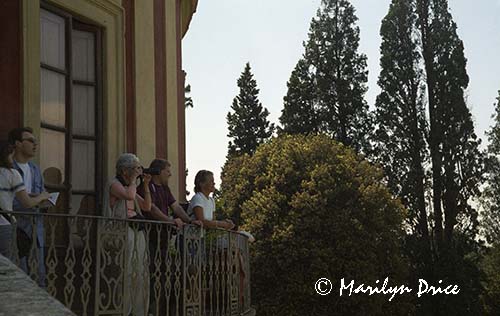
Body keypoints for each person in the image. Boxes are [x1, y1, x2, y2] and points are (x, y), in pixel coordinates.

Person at [103, 153, 152, 316]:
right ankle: (123, 310)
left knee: (140, 271)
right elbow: (129, 196)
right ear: (125, 171)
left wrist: (145, 185)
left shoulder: (130, 186)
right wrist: (133, 181)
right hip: (122, 231)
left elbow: (146, 206)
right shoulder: (115, 184)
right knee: (127, 271)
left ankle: (138, 311)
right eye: (136, 168)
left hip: (135, 229)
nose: (139, 170)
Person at [8, 127, 49, 286]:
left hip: (36, 230)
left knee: (39, 277)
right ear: (18, 144)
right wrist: (37, 199)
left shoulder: (35, 169)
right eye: (30, 140)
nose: (35, 144)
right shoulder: (8, 169)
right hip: (15, 229)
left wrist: (46, 202)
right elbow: (10, 200)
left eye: (35, 141)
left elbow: (41, 194)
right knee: (17, 279)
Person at [0, 140, 49, 260]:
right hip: (4, 224)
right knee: (5, 265)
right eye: (11, 155)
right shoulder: (11, 174)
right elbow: (27, 203)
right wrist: (42, 196)